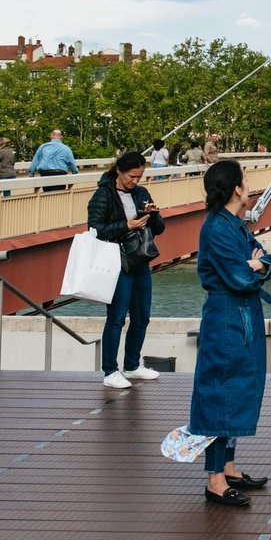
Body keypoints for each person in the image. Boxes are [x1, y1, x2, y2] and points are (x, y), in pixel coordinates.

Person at [189, 160, 271, 507]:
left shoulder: (233, 224)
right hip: (227, 315)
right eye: (246, 180)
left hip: (240, 314)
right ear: (236, 188)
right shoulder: (218, 229)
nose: (250, 185)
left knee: (238, 388)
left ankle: (227, 466)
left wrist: (259, 264)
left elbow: (264, 260)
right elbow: (241, 277)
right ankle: (215, 479)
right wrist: (256, 266)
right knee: (221, 390)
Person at [87, 151, 166, 389]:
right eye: (132, 176)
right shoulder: (103, 195)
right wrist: (127, 225)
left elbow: (160, 229)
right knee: (117, 318)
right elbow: (95, 229)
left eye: (139, 176)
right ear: (119, 171)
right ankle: (110, 371)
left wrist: (152, 214)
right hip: (117, 263)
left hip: (140, 260)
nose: (135, 181)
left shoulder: (141, 193)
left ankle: (132, 365)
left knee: (142, 316)